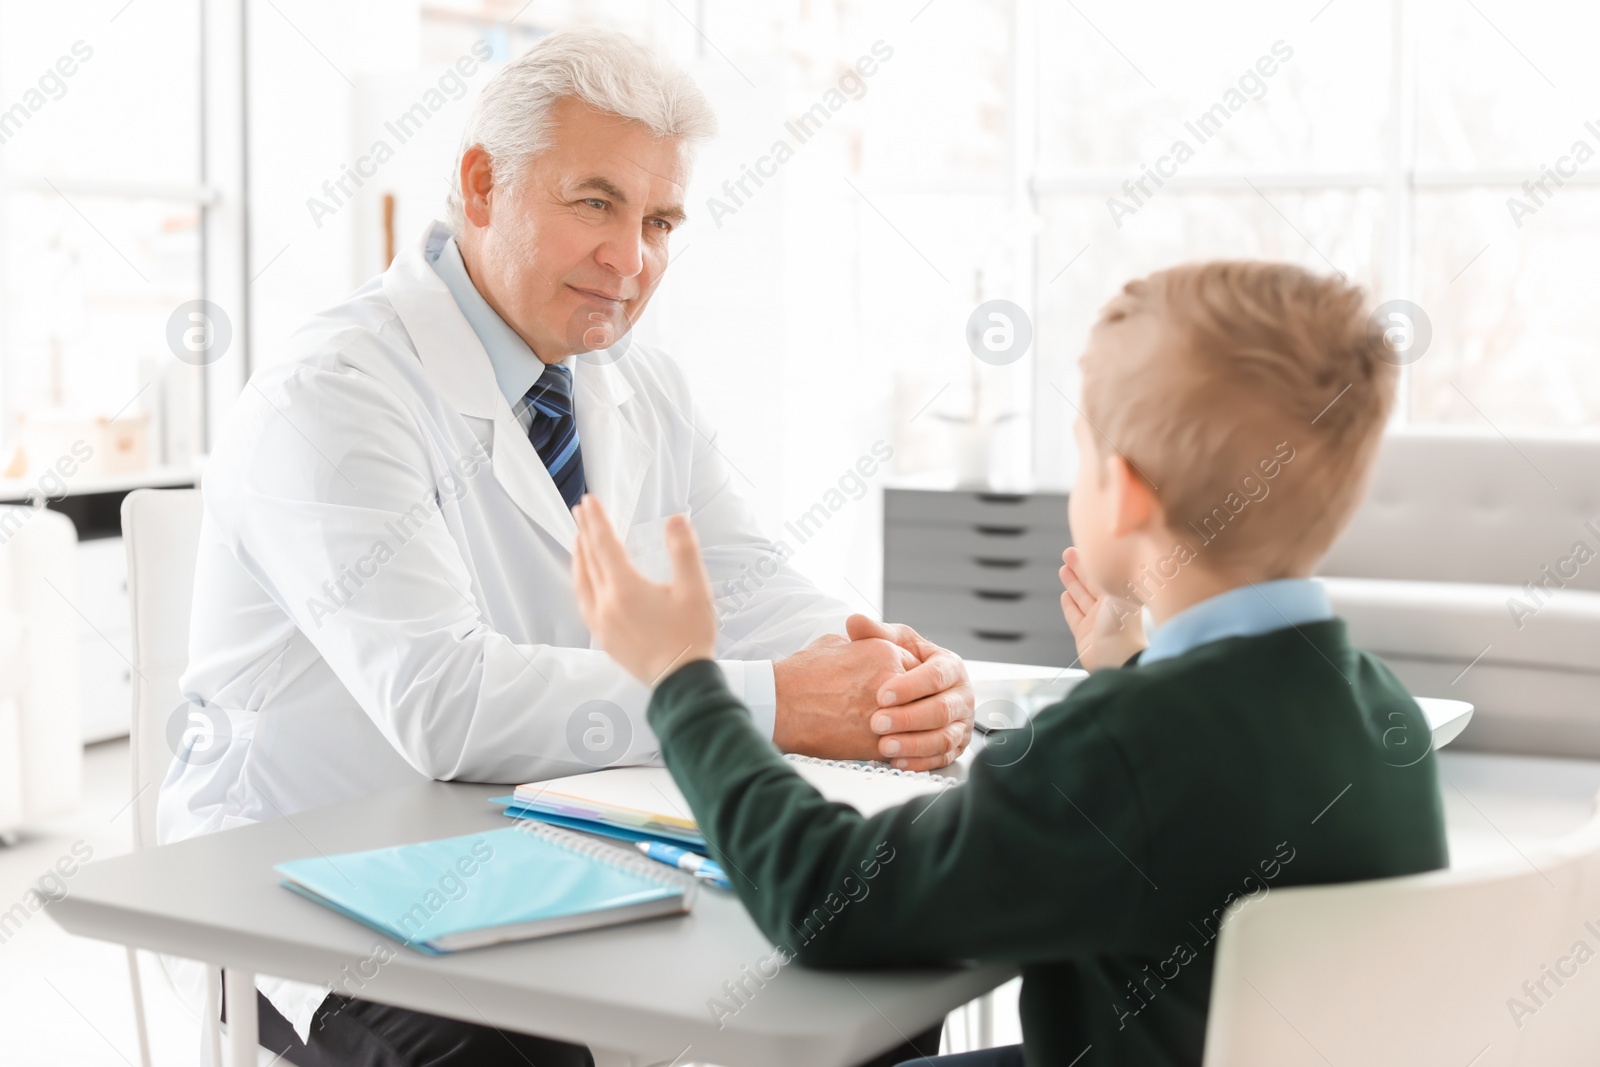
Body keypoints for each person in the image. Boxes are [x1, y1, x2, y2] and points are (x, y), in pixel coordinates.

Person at [161, 27, 972, 1066]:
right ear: (482, 184)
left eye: (661, 219)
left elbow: (746, 581)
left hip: (554, 847)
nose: (630, 260)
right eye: (595, 202)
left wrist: (878, 668)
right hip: (319, 888)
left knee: (866, 961)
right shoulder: (334, 393)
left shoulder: (632, 377)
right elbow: (445, 705)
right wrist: (780, 700)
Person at [569, 261, 1450, 1066]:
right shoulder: (1382, 710)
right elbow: (1194, 817)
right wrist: (1129, 667)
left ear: (1126, 490)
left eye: (1080, 450)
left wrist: (683, 678)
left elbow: (828, 897)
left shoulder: (1118, 749)